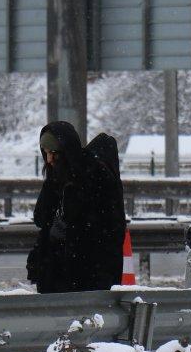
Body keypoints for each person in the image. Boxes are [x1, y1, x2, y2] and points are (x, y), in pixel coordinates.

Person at [27, 121, 126, 293]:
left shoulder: (95, 177)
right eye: (45, 153)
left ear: (66, 151)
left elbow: (109, 228)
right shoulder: (55, 178)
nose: (49, 159)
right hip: (56, 272)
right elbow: (42, 218)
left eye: (54, 153)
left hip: (86, 275)